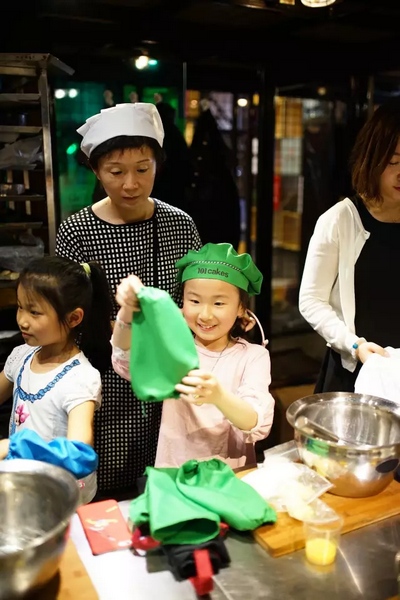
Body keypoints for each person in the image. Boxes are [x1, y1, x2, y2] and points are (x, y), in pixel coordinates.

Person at [55, 102, 202, 498]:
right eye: (116, 172)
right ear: (96, 170)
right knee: (109, 492)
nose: (131, 184)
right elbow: (70, 316)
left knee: (171, 481)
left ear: (158, 164)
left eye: (143, 168)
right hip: (104, 380)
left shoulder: (180, 224)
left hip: (171, 379)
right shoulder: (76, 232)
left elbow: (197, 297)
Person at [111, 243, 275, 468]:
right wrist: (128, 309)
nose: (205, 315)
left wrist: (218, 396)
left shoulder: (253, 356)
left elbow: (256, 423)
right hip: (174, 473)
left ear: (240, 308)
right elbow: (124, 360)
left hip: (230, 476)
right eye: (195, 301)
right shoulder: (173, 347)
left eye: (218, 303)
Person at [299, 99, 400, 393]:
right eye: (393, 162)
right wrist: (353, 345)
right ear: (372, 159)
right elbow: (311, 300)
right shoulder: (341, 220)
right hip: (355, 373)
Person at [0, 256, 112, 503]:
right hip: (24, 486)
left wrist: (13, 447)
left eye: (34, 312)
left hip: (62, 498)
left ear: (73, 318)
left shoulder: (80, 378)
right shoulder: (22, 355)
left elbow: (79, 453)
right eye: (20, 307)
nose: (22, 320)